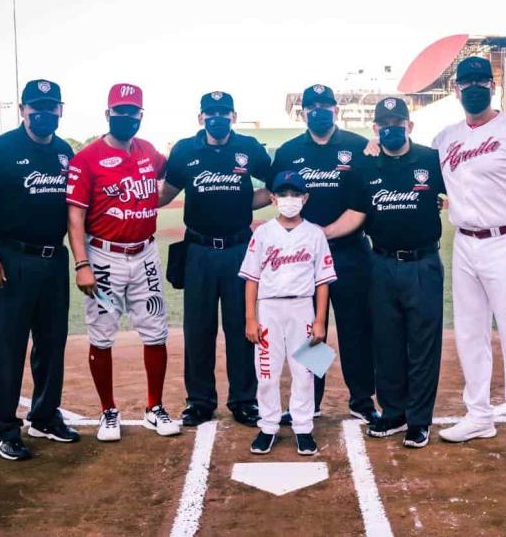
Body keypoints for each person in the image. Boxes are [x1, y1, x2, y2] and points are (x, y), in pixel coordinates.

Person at [433, 57, 506, 461]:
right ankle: (479, 415)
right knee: (469, 333)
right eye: (466, 82)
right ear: (455, 90)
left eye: (480, 80)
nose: (473, 87)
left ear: (493, 83)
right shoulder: (446, 138)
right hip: (465, 244)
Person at [326, 97, 445, 448]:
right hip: (378, 263)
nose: (392, 128)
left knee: (422, 343)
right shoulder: (366, 166)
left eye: (399, 121)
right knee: (386, 341)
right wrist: (320, 235)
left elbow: (458, 193)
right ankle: (392, 412)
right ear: (376, 129)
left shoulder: (429, 159)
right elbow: (357, 213)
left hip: (423, 263)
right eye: (384, 123)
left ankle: (419, 420)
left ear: (409, 125)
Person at [0, 79, 79, 461]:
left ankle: (45, 416)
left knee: (52, 343)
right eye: (36, 107)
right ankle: (3, 427)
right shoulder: (1, 150)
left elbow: (73, 210)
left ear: (61, 109)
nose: (44, 114)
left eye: (51, 107)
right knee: (8, 346)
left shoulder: (65, 152)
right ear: (22, 110)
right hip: (11, 258)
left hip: (53, 260)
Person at [67, 83, 180, 441]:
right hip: (103, 256)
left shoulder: (147, 151)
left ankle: (154, 407)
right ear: (108, 113)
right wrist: (81, 264)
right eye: (120, 111)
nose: (127, 118)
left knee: (155, 331)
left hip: (145, 254)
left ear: (140, 116)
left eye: (133, 112)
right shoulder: (86, 159)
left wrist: (150, 204)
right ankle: (108, 412)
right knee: (101, 335)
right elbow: (75, 217)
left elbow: (171, 179)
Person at [158, 91, 272, 427]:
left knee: (242, 327)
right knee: (198, 330)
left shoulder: (249, 148)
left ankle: (244, 400)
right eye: (211, 113)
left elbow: (275, 184)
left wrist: (242, 205)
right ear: (201, 118)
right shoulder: (184, 150)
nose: (217, 117)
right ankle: (200, 401)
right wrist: (134, 200)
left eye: (223, 112)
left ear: (234, 117)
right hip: (199, 250)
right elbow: (167, 192)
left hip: (239, 248)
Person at [268, 84, 378, 425]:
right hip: (304, 260)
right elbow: (278, 199)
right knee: (311, 332)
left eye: (325, 105)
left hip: (349, 254)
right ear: (303, 113)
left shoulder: (359, 148)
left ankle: (362, 399)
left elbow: (364, 204)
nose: (319, 110)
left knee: (355, 330)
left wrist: (323, 235)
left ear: (336, 110)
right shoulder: (288, 151)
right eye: (311, 106)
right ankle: (309, 401)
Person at [240, 171, 336, 455]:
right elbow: (251, 278)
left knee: (305, 372)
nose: (289, 200)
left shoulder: (315, 233)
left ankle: (303, 427)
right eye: (283, 194)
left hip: (303, 308)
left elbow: (323, 282)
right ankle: (268, 425)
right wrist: (250, 318)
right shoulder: (263, 232)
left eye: (295, 194)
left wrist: (320, 321)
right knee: (266, 373)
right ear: (273, 198)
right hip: (270, 308)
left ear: (305, 198)